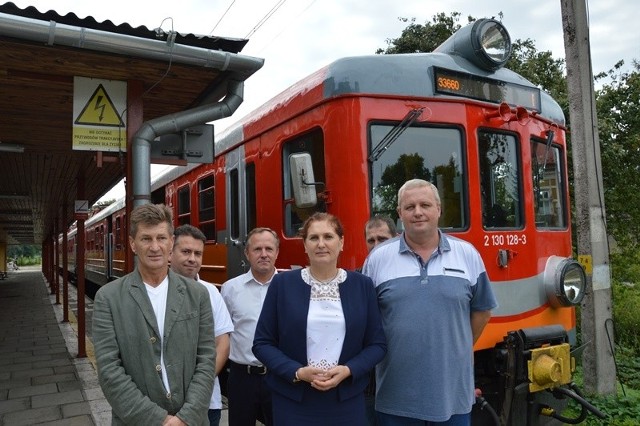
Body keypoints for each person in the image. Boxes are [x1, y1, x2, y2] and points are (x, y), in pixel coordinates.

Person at [363, 179, 498, 426]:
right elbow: (367, 320)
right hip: (396, 397)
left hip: (453, 396)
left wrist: (455, 347)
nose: (417, 212)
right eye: (410, 206)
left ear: (439, 209)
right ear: (399, 214)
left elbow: (482, 310)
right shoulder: (377, 259)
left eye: (425, 205)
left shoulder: (467, 254)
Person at [253, 212, 386, 426]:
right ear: (304, 245)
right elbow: (262, 343)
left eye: (328, 237)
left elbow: (377, 344)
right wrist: (297, 372)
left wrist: (349, 370)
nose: (321, 244)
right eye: (313, 238)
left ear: (341, 242)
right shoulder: (282, 285)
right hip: (293, 399)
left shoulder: (362, 285)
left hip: (346, 400)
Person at [92, 203, 215, 426]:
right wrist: (157, 419)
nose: (155, 246)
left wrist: (186, 417)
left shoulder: (198, 294)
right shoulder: (108, 298)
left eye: (161, 238)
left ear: (171, 243)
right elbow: (109, 370)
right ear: (133, 244)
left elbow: (206, 359)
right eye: (146, 239)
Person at [170, 224, 234, 426]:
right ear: (170, 253)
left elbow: (222, 344)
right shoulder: (155, 291)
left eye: (198, 253)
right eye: (186, 251)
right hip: (162, 401)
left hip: (206, 401)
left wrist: (199, 386)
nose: (193, 258)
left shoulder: (211, 293)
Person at [220, 227, 280, 426]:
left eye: (269, 249)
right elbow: (223, 333)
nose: (264, 254)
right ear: (247, 253)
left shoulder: (289, 286)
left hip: (279, 376)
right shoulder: (230, 289)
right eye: (257, 249)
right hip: (242, 378)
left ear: (277, 252)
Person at [362, 214, 397, 425]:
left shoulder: (408, 278)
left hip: (398, 373)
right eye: (371, 240)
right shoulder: (356, 279)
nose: (376, 246)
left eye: (382, 239)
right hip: (368, 380)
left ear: (396, 238)